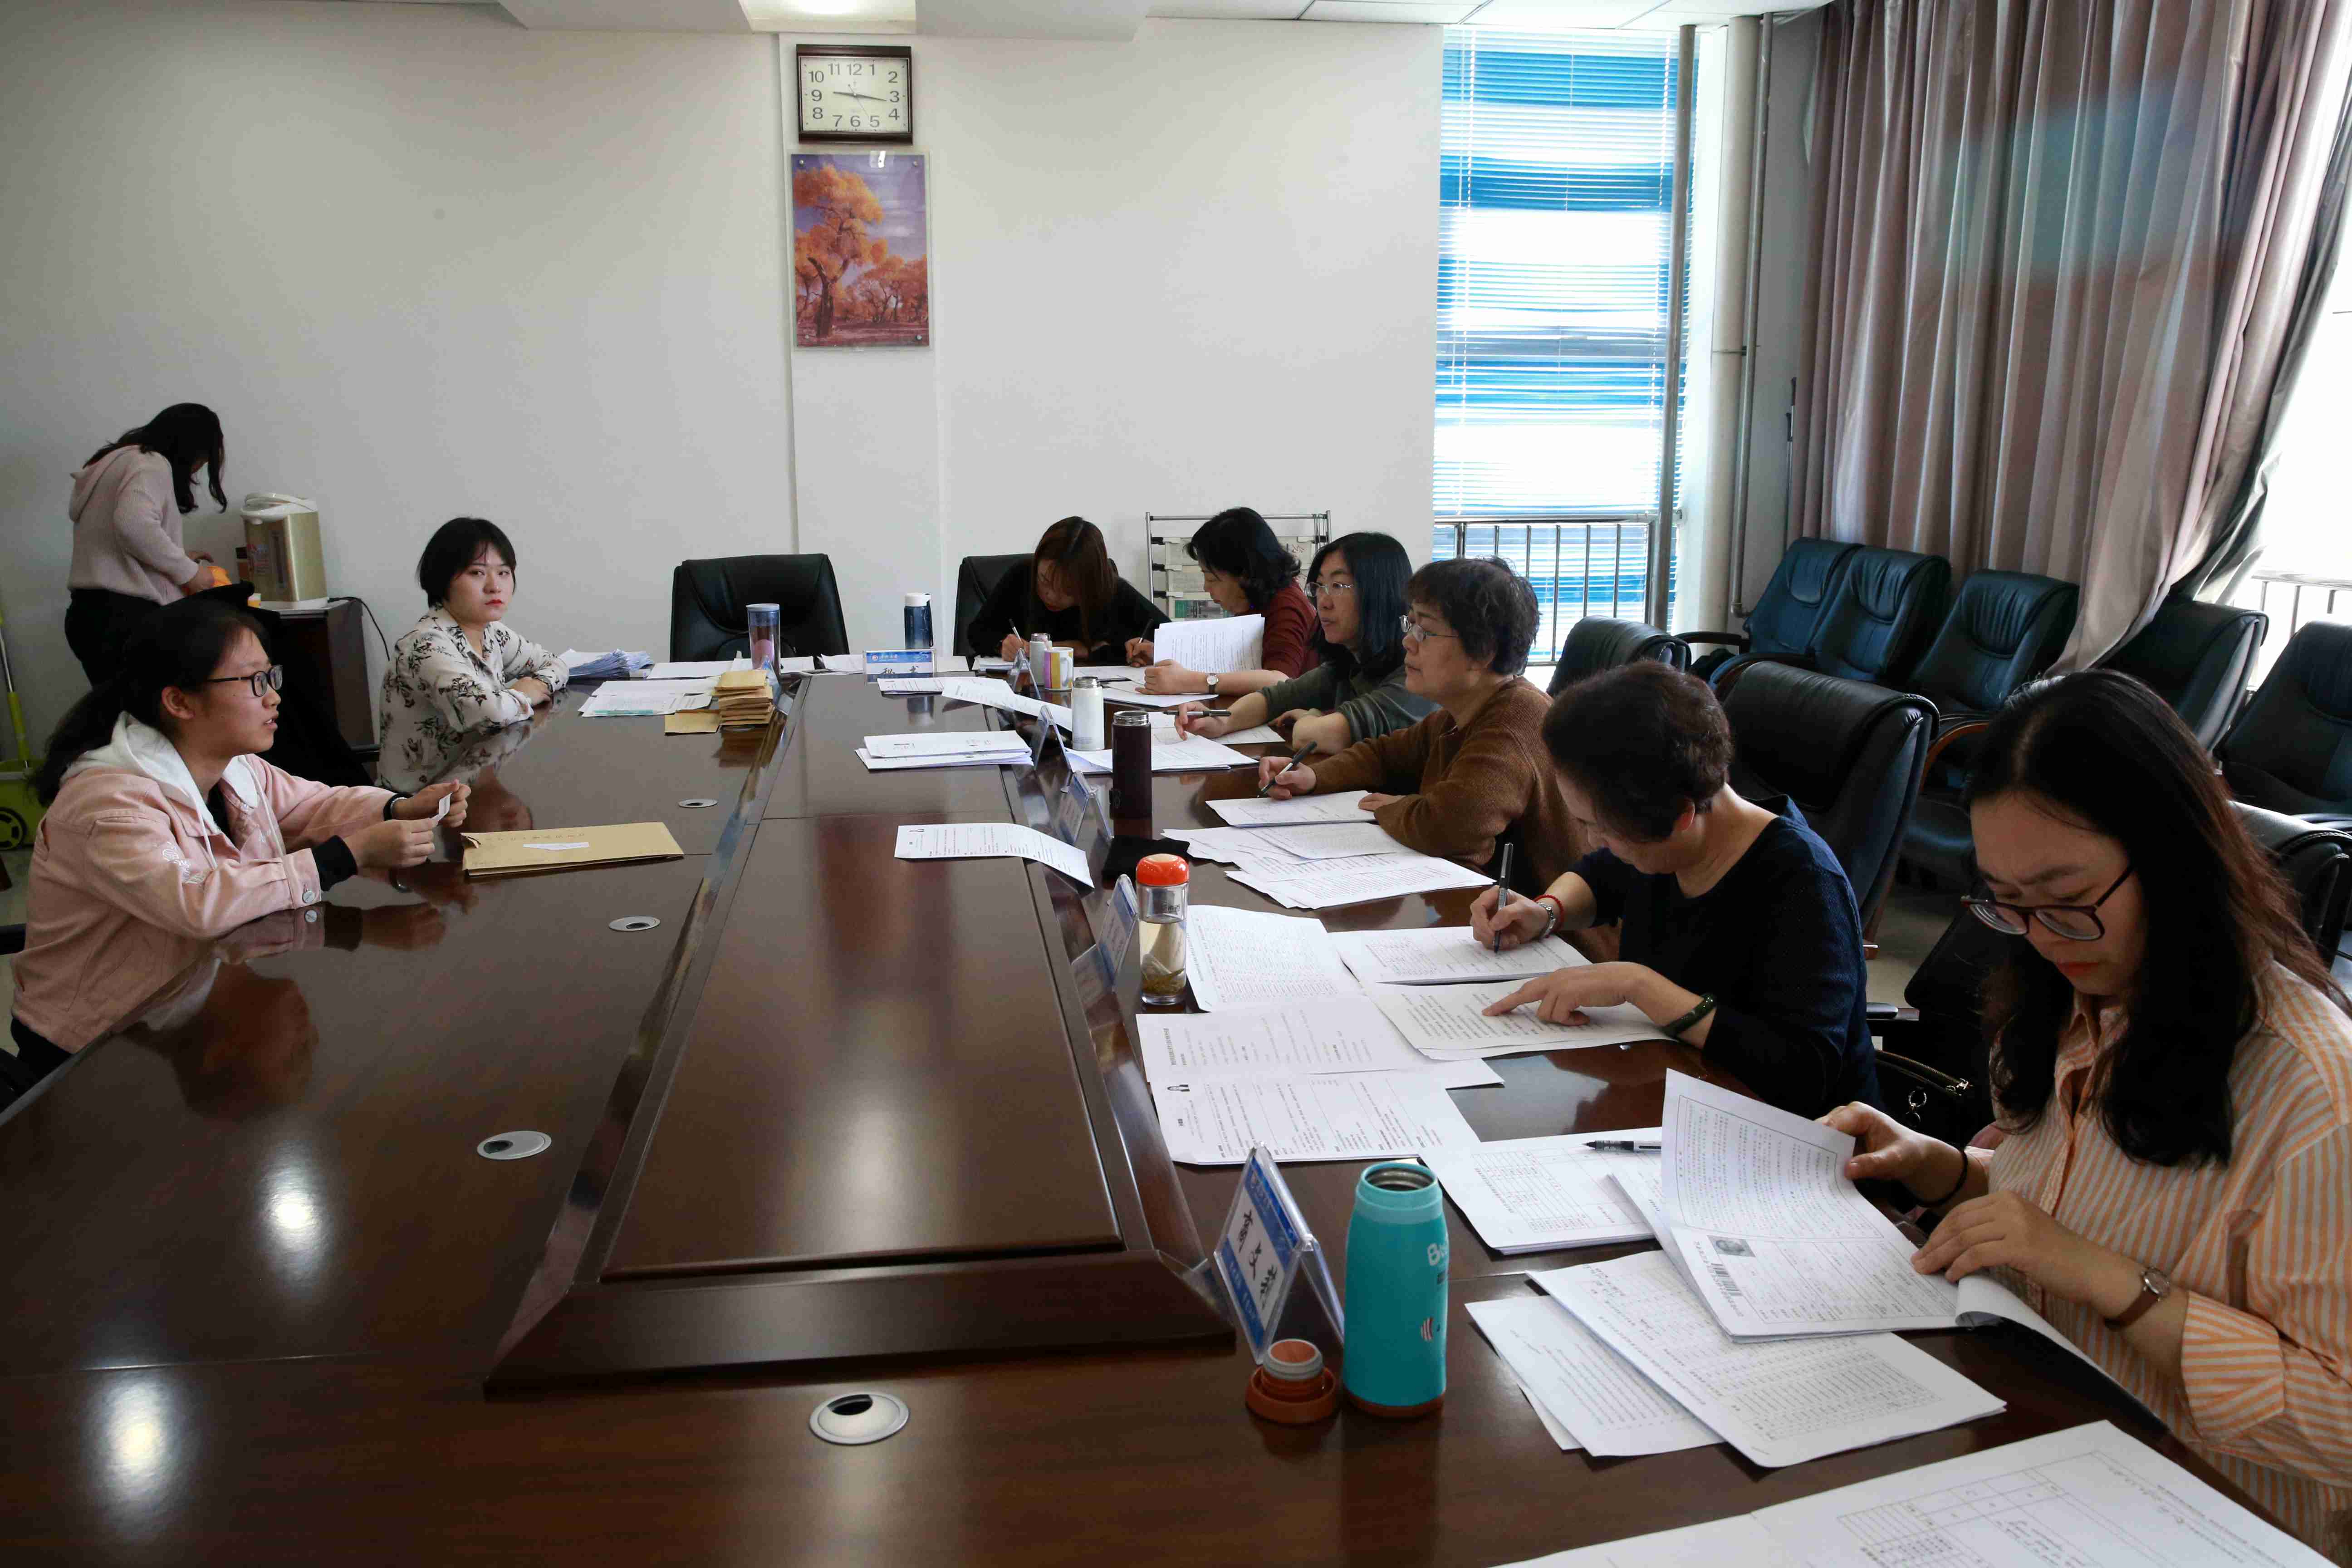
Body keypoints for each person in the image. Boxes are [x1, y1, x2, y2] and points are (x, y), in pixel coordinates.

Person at [1823, 671, 2352, 1561]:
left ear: (2175, 856)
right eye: (2006, 899)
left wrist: (2112, 1283)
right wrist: (1943, 1169)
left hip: (2197, 1512)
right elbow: (2068, 1208)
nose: (2035, 933)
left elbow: (2338, 1420)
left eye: (2065, 899)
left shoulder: (2312, 1092)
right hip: (2030, 1436)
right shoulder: (2065, 996)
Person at [6, 599, 466, 1109]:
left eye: (271, 676)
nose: (274, 697)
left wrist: (398, 807)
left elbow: (312, 805)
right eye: (254, 682)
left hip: (190, 1006)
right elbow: (198, 902)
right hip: (97, 1047)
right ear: (180, 702)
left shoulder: (234, 764)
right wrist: (348, 856)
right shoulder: (108, 804)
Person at [1471, 661, 1876, 1116]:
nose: (1590, 841)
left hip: (1786, 1131)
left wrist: (1639, 986)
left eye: (1599, 827)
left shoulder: (1804, 883)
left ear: (1682, 815)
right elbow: (1602, 876)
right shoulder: (1664, 839)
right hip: (1674, 1091)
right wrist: (1545, 912)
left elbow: (1803, 1072)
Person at [1255, 558, 1577, 891]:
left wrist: (1399, 808)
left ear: (1483, 652)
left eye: (1426, 631)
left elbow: (1446, 829)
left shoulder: (1513, 721)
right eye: (1410, 625)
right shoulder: (1463, 710)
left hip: (1536, 918)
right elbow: (1385, 755)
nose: (1408, 642)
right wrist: (1313, 777)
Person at [1175, 532, 1432, 754]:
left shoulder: (1414, 675)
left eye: (1338, 586)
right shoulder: (1349, 663)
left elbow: (1310, 736)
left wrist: (1314, 717)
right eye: (1320, 586)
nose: (1323, 601)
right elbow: (1274, 698)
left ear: (1379, 593)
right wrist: (1221, 722)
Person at [376, 517, 568, 793]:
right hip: (420, 805)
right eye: (477, 573)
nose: (495, 586)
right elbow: (490, 713)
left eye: (504, 573)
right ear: (442, 579)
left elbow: (555, 664)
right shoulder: (426, 645)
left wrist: (536, 686)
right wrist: (524, 694)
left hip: (475, 785)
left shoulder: (491, 632)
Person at [64, 402, 228, 685]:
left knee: (118, 709)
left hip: (88, 615)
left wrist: (178, 554)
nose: (197, 469)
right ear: (190, 450)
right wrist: (189, 572)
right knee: (151, 709)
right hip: (126, 618)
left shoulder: (115, 464)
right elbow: (133, 525)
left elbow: (116, 537)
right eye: (202, 460)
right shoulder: (151, 463)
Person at [1123, 508, 1319, 695]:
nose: (1206, 588)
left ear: (1245, 575)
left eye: (1211, 579)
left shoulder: (1286, 608)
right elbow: (1234, 661)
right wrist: (1162, 655)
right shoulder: (1256, 601)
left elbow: (1279, 680)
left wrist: (1191, 682)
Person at [968, 516, 1165, 665]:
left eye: (1067, 590)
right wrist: (1001, 644)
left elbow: (1169, 637)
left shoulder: (1113, 592)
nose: (1051, 595)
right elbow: (977, 632)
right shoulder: (1022, 574)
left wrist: (1147, 651)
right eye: (1044, 580)